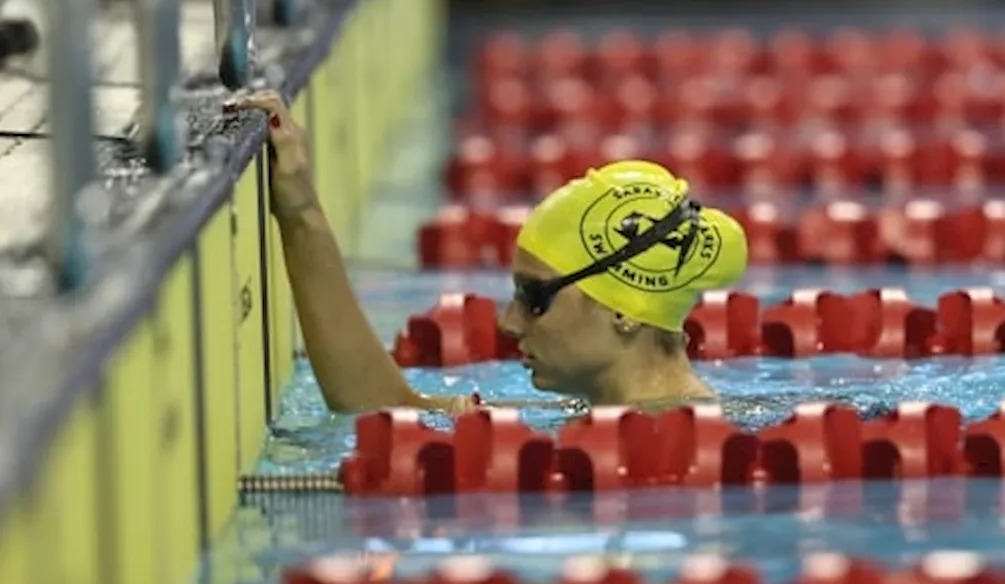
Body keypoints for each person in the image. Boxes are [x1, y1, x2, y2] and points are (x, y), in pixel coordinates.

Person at [226, 91, 749, 414]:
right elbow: (380, 408)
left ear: (623, 311)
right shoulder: (600, 417)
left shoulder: (666, 448)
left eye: (534, 296)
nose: (507, 323)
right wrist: (299, 214)